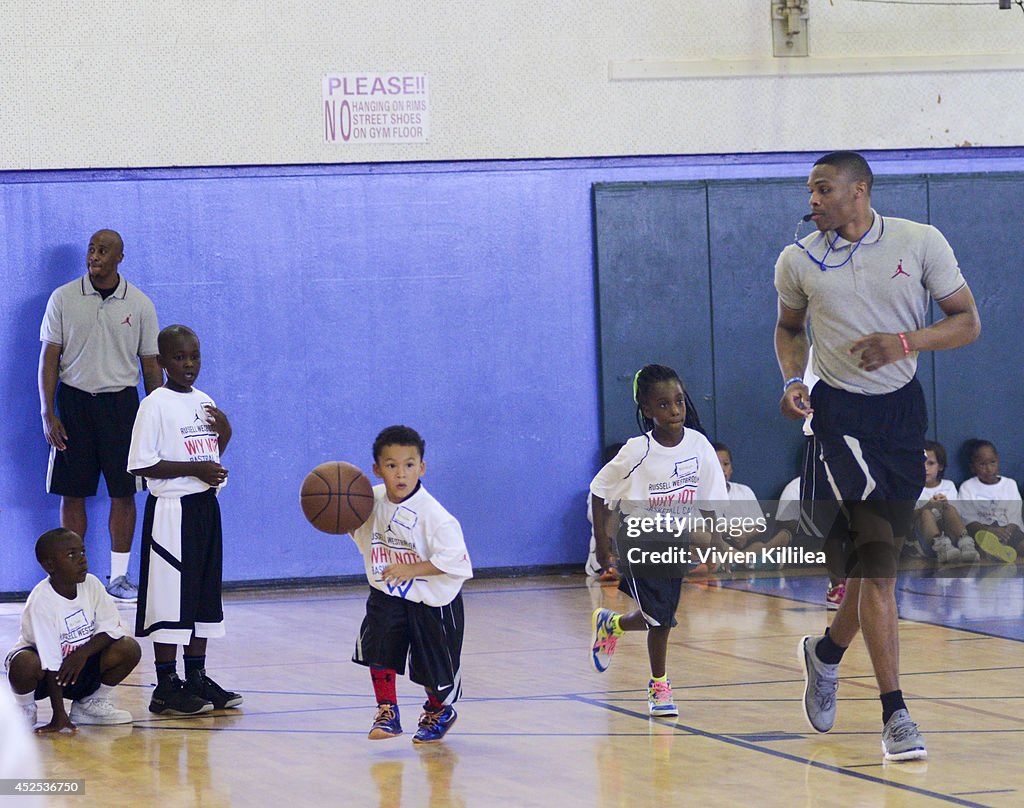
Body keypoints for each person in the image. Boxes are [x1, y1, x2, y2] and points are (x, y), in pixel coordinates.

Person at [775, 151, 981, 762]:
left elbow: (967, 322)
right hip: (838, 418)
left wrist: (905, 342)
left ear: (858, 190)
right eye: (810, 191)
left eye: (824, 189)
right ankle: (896, 716)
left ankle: (827, 654)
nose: (812, 201)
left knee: (875, 567)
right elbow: (789, 330)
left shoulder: (920, 243)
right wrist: (793, 381)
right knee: (880, 566)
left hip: (901, 414)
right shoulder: (798, 259)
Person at [589, 364, 728, 717]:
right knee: (661, 620)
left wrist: (714, 540)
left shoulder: (698, 446)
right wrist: (603, 546)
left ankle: (612, 624)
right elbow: (598, 489)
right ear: (647, 410)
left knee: (658, 615)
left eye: (679, 401)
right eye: (664, 405)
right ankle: (659, 685)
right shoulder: (637, 451)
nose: (675, 410)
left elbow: (712, 498)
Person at [39, 229, 162, 602]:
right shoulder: (63, 298)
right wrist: (48, 411)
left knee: (124, 494)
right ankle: (73, 578)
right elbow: (49, 358)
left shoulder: (138, 303)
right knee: (72, 493)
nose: (95, 255)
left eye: (103, 250)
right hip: (74, 405)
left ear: (120, 257)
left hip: (121, 406)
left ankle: (120, 578)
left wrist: (157, 416)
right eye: (92, 249)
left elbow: (151, 366)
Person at [127, 324, 241, 717]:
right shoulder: (153, 404)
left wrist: (225, 434)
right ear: (161, 362)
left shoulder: (203, 400)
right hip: (172, 513)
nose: (188, 364)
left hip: (206, 508)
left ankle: (196, 676)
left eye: (194, 356)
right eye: (179, 357)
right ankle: (165, 686)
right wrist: (196, 470)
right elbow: (141, 465)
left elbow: (208, 455)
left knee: (202, 596)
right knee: (169, 598)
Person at [348, 425, 473, 744]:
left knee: (433, 671)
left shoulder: (435, 516)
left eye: (409, 465)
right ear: (377, 469)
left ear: (422, 467)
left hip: (434, 599)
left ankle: (438, 710)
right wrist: (338, 515)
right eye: (391, 465)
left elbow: (456, 562)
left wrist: (412, 569)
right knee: (378, 650)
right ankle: (387, 710)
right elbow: (355, 530)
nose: (400, 473)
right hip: (387, 591)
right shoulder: (367, 500)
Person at [5, 528, 140, 732]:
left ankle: (90, 705)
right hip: (44, 673)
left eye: (82, 552)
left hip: (78, 667)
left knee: (128, 648)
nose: (82, 560)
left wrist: (81, 655)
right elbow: (50, 660)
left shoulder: (92, 584)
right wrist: (58, 715)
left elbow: (111, 628)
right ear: (50, 565)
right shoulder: (41, 601)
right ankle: (25, 708)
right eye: (71, 555)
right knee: (23, 663)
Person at [958, 439, 1023, 564]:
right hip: (983, 532)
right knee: (980, 543)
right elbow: (968, 519)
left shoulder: (1010, 484)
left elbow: (1015, 516)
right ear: (972, 467)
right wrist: (991, 531)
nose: (989, 469)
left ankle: (1001, 551)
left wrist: (1006, 533)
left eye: (992, 462)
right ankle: (993, 552)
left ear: (998, 461)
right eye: (982, 464)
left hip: (1008, 531)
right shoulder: (967, 487)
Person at [913, 440, 978, 564]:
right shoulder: (913, 488)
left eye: (931, 463)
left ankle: (966, 544)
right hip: (926, 541)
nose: (925, 468)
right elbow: (908, 519)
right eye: (921, 463)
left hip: (950, 536)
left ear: (940, 466)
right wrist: (927, 506)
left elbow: (957, 515)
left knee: (950, 509)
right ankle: (941, 547)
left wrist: (945, 504)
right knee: (926, 513)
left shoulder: (948, 485)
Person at [585, 443, 625, 582]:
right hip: (608, 545)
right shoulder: (599, 489)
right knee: (611, 514)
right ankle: (610, 565)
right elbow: (594, 518)